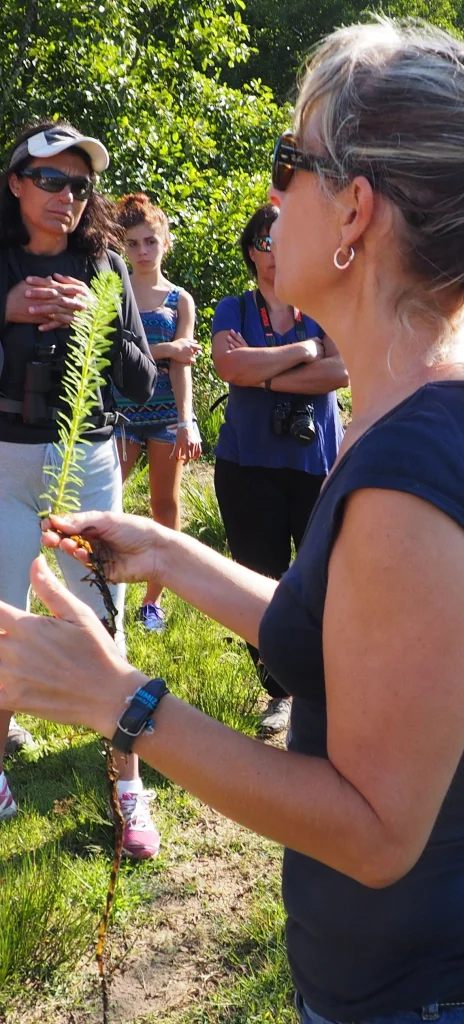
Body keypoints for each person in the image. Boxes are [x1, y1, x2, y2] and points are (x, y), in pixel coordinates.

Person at [2, 20, 464, 1022]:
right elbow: (357, 642)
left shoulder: (412, 478)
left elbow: (376, 829)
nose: (268, 196)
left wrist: (118, 699)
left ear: (355, 209)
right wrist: (174, 554)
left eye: (285, 162)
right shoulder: (457, 409)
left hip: (432, 1000)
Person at [0, 120, 162, 860]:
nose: (66, 196)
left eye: (79, 184)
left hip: (87, 459)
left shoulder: (103, 264)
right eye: (51, 179)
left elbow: (140, 379)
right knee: (5, 615)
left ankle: (127, 786)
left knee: (102, 617)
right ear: (17, 184)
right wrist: (8, 314)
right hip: (4, 459)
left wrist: (98, 320)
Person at [211, 203, 347, 734]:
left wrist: (264, 376)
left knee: (323, 580)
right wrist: (304, 352)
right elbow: (229, 365)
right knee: (258, 582)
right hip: (247, 467)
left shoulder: (324, 308)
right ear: (252, 252)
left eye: (284, 242)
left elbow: (341, 372)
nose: (275, 254)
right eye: (265, 244)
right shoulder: (233, 308)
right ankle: (281, 693)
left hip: (317, 467)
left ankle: (329, 686)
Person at [114, 193, 202, 633]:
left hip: (168, 415)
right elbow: (114, 352)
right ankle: (99, 588)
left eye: (150, 241)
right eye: (132, 243)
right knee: (106, 499)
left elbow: (183, 368)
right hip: (122, 415)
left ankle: (152, 601)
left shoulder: (180, 299)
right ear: (123, 247)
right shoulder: (115, 290)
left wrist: (187, 421)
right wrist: (167, 349)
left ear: (166, 242)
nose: (142, 251)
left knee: (164, 505)